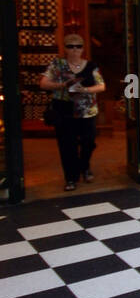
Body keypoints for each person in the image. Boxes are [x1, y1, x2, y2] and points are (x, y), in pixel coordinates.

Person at [40, 34, 106, 191]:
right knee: (66, 145)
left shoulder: (91, 66)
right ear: (65, 48)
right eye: (70, 46)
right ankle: (71, 177)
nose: (74, 50)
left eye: (78, 46)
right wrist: (62, 85)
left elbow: (102, 85)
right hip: (64, 110)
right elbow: (43, 83)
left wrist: (86, 90)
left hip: (86, 111)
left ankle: (84, 166)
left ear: (83, 48)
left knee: (88, 142)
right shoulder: (57, 65)